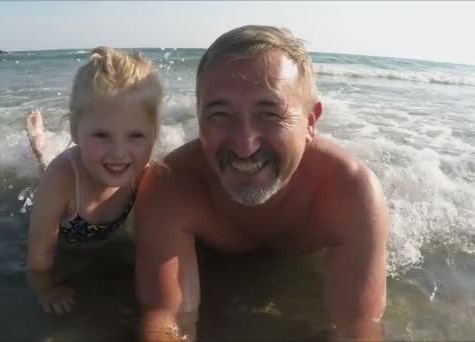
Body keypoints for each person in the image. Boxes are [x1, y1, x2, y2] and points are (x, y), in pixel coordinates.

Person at [134, 25, 389, 341]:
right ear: (199, 118)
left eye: (269, 113)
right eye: (220, 114)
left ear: (310, 122)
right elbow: (167, 319)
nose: (245, 145)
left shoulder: (349, 193)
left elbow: (357, 325)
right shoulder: (170, 186)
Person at [25, 46, 163, 315]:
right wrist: (45, 289)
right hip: (67, 193)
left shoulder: (145, 173)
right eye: (101, 135)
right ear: (76, 131)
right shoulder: (62, 179)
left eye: (135, 136)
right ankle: (39, 145)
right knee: (48, 168)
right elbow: (38, 257)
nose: (119, 152)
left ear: (154, 134)